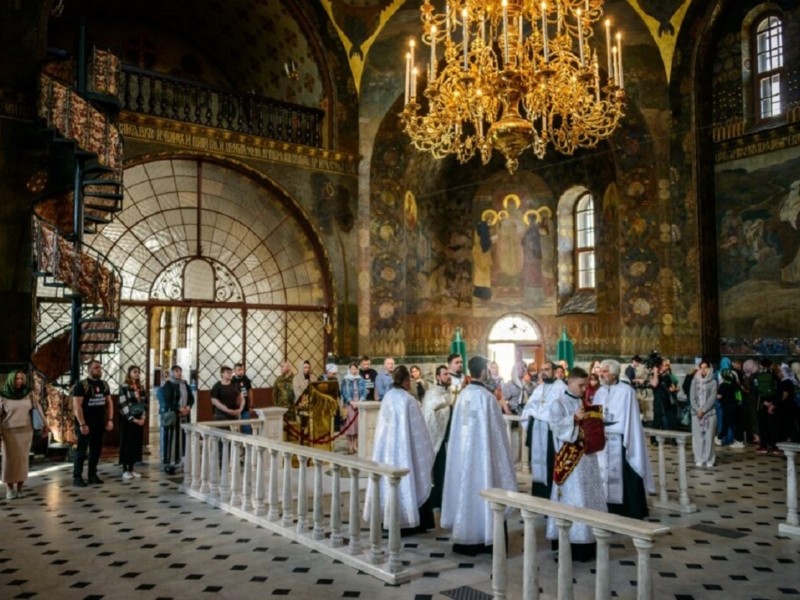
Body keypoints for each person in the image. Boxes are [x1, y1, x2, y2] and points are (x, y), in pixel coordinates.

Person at [441, 356, 517, 556]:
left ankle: (466, 537)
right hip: (483, 458)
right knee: (485, 488)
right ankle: (486, 537)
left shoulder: (463, 396)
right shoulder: (487, 398)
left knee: (466, 490)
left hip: (464, 456)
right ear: (483, 372)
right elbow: (498, 435)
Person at [546, 367, 607, 562]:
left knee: (588, 496)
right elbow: (555, 426)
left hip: (587, 458)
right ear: (569, 383)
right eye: (580, 385)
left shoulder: (584, 401)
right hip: (570, 461)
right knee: (574, 497)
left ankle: (589, 538)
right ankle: (572, 542)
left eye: (586, 385)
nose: (584, 389)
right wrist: (574, 419)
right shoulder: (558, 403)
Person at [364, 365, 435, 534]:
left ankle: (388, 518)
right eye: (408, 379)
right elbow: (419, 431)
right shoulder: (408, 400)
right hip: (405, 450)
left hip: (388, 449)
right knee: (408, 480)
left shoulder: (387, 397)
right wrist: (428, 448)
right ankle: (408, 519)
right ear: (405, 380)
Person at [593, 359, 654, 519]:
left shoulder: (627, 392)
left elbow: (631, 419)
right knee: (603, 473)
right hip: (603, 440)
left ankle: (629, 510)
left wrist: (624, 436)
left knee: (625, 473)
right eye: (601, 371)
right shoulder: (599, 392)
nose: (601, 374)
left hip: (621, 439)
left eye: (605, 372)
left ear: (614, 374)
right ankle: (607, 508)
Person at [520, 361, 566, 499]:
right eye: (542, 370)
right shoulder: (539, 389)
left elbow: (564, 413)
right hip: (537, 432)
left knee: (551, 464)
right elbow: (528, 409)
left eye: (547, 369)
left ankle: (551, 497)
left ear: (555, 371)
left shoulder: (562, 388)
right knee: (537, 463)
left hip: (551, 434)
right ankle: (539, 496)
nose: (543, 372)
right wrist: (532, 419)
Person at [1, 370, 47, 499]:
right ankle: (10, 489)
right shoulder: (3, 395)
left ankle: (20, 488)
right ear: (11, 380)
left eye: (21, 379)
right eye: (17, 379)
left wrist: (45, 425)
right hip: (9, 432)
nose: (19, 381)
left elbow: (38, 408)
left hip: (26, 431)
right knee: (9, 461)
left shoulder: (28, 393)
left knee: (23, 460)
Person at [72, 360, 114, 486]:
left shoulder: (104, 385)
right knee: (81, 450)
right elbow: (77, 406)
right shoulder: (81, 385)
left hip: (99, 423)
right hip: (85, 424)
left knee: (96, 450)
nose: (99, 370)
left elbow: (109, 402)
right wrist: (82, 424)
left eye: (100, 368)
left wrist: (110, 420)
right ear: (88, 369)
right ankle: (77, 476)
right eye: (96, 368)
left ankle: (92, 474)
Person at [421, 365, 452, 512]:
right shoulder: (432, 393)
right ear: (438, 377)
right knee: (437, 470)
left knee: (444, 471)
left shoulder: (449, 392)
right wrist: (447, 408)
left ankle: (444, 500)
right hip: (435, 437)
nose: (448, 376)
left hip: (447, 437)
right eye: (445, 374)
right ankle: (435, 502)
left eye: (448, 374)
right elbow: (429, 414)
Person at [158, 365, 194, 474]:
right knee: (172, 438)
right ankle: (170, 461)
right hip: (174, 415)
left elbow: (191, 398)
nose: (179, 373)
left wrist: (188, 407)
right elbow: (167, 400)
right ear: (172, 372)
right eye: (176, 371)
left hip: (185, 415)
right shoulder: (168, 385)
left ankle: (182, 459)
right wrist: (178, 409)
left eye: (180, 371)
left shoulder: (184, 384)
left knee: (184, 436)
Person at [118, 365, 147, 480]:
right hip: (129, 421)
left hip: (139, 418)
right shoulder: (124, 388)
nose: (137, 374)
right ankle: (125, 469)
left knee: (136, 444)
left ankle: (132, 468)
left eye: (138, 372)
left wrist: (143, 418)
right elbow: (123, 405)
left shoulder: (141, 387)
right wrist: (132, 419)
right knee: (127, 445)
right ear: (129, 373)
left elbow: (145, 403)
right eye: (134, 372)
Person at [690, 360, 718, 468]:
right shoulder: (694, 381)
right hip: (696, 414)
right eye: (701, 367)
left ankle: (709, 459)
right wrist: (697, 410)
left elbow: (712, 398)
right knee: (697, 437)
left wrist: (704, 410)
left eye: (706, 367)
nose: (703, 369)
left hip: (709, 413)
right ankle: (699, 458)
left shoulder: (713, 382)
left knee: (709, 437)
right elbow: (692, 397)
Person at [339, 362, 365, 454]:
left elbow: (364, 391)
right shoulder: (345, 380)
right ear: (349, 370)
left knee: (357, 426)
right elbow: (343, 392)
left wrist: (360, 401)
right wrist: (351, 401)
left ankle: (355, 445)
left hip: (359, 403)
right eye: (352, 369)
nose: (354, 371)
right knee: (350, 426)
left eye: (355, 369)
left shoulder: (361, 379)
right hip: (349, 404)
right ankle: (350, 445)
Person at [233, 363, 253, 434]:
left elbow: (250, 392)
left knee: (247, 428)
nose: (241, 371)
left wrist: (251, 405)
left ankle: (247, 444)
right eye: (238, 370)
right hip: (235, 409)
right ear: (234, 371)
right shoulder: (232, 381)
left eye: (242, 369)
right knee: (235, 429)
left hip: (245, 409)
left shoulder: (246, 379)